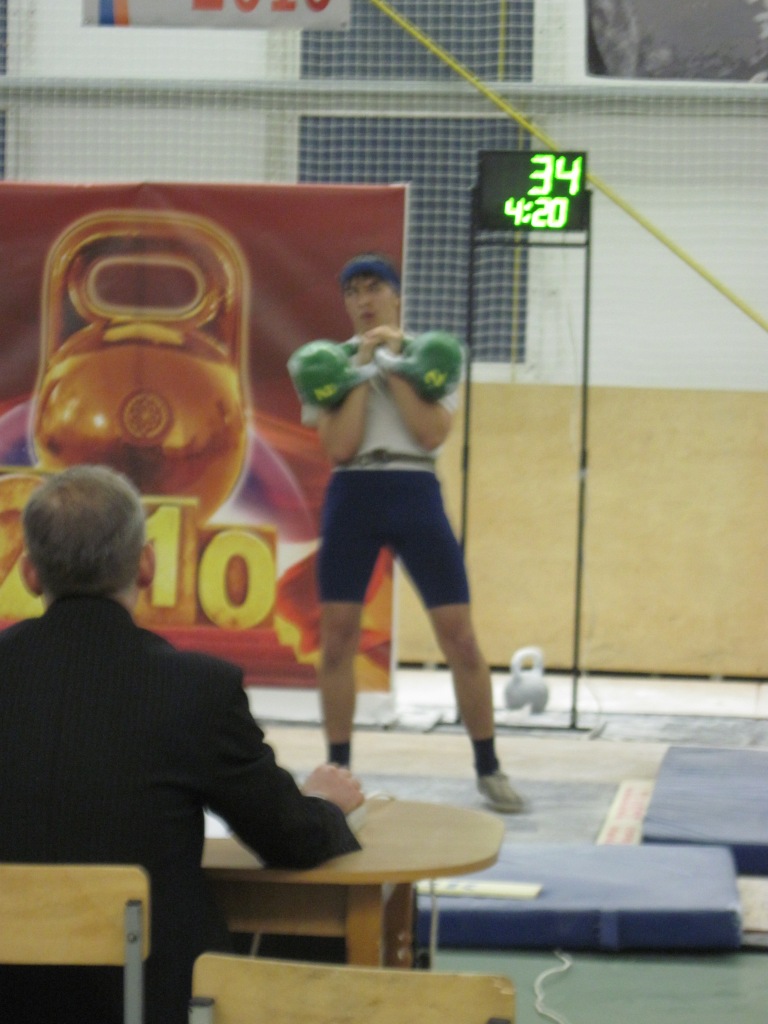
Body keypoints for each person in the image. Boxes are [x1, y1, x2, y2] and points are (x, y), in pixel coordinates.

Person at [0, 464, 364, 1024]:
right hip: (150, 1004)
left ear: (28, 573)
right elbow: (290, 838)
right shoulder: (197, 689)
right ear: (147, 564)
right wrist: (325, 805)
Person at [300, 252, 523, 815]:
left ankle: (489, 767)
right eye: (352, 292)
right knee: (338, 637)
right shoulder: (328, 363)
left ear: (396, 296)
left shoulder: (434, 356)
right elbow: (339, 446)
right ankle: (339, 770)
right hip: (353, 491)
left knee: (460, 636)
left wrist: (393, 364)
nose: (363, 301)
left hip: (414, 487)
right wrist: (361, 368)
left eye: (373, 288)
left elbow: (429, 433)